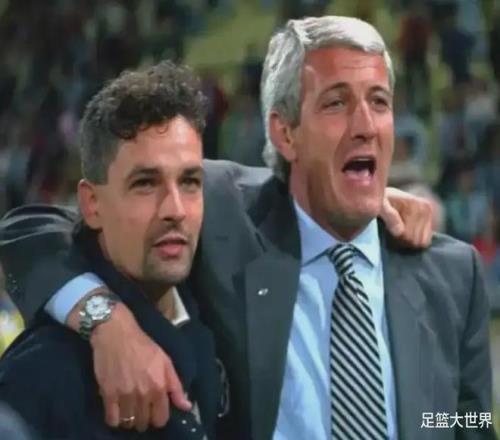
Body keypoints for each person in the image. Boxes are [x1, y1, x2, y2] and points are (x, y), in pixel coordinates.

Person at [0, 15, 493, 440]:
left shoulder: (451, 272)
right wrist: (108, 323)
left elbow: (468, 421)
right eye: (336, 103)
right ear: (285, 133)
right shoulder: (220, 210)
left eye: (379, 102)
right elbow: (33, 230)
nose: (365, 124)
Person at [0, 61, 220, 439]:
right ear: (92, 204)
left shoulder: (225, 306)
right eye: (145, 183)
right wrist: (107, 324)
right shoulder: (41, 376)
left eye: (190, 182)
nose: (175, 210)